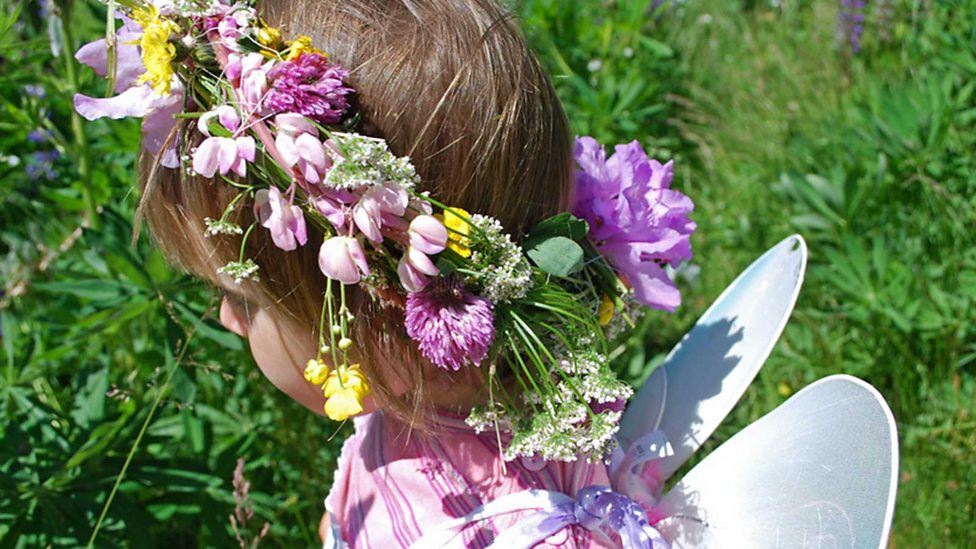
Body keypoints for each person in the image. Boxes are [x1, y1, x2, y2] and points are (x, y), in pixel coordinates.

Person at [76, 0, 693, 546]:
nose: (227, 320)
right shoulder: (413, 399)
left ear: (387, 311)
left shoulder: (527, 530)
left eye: (247, 299)